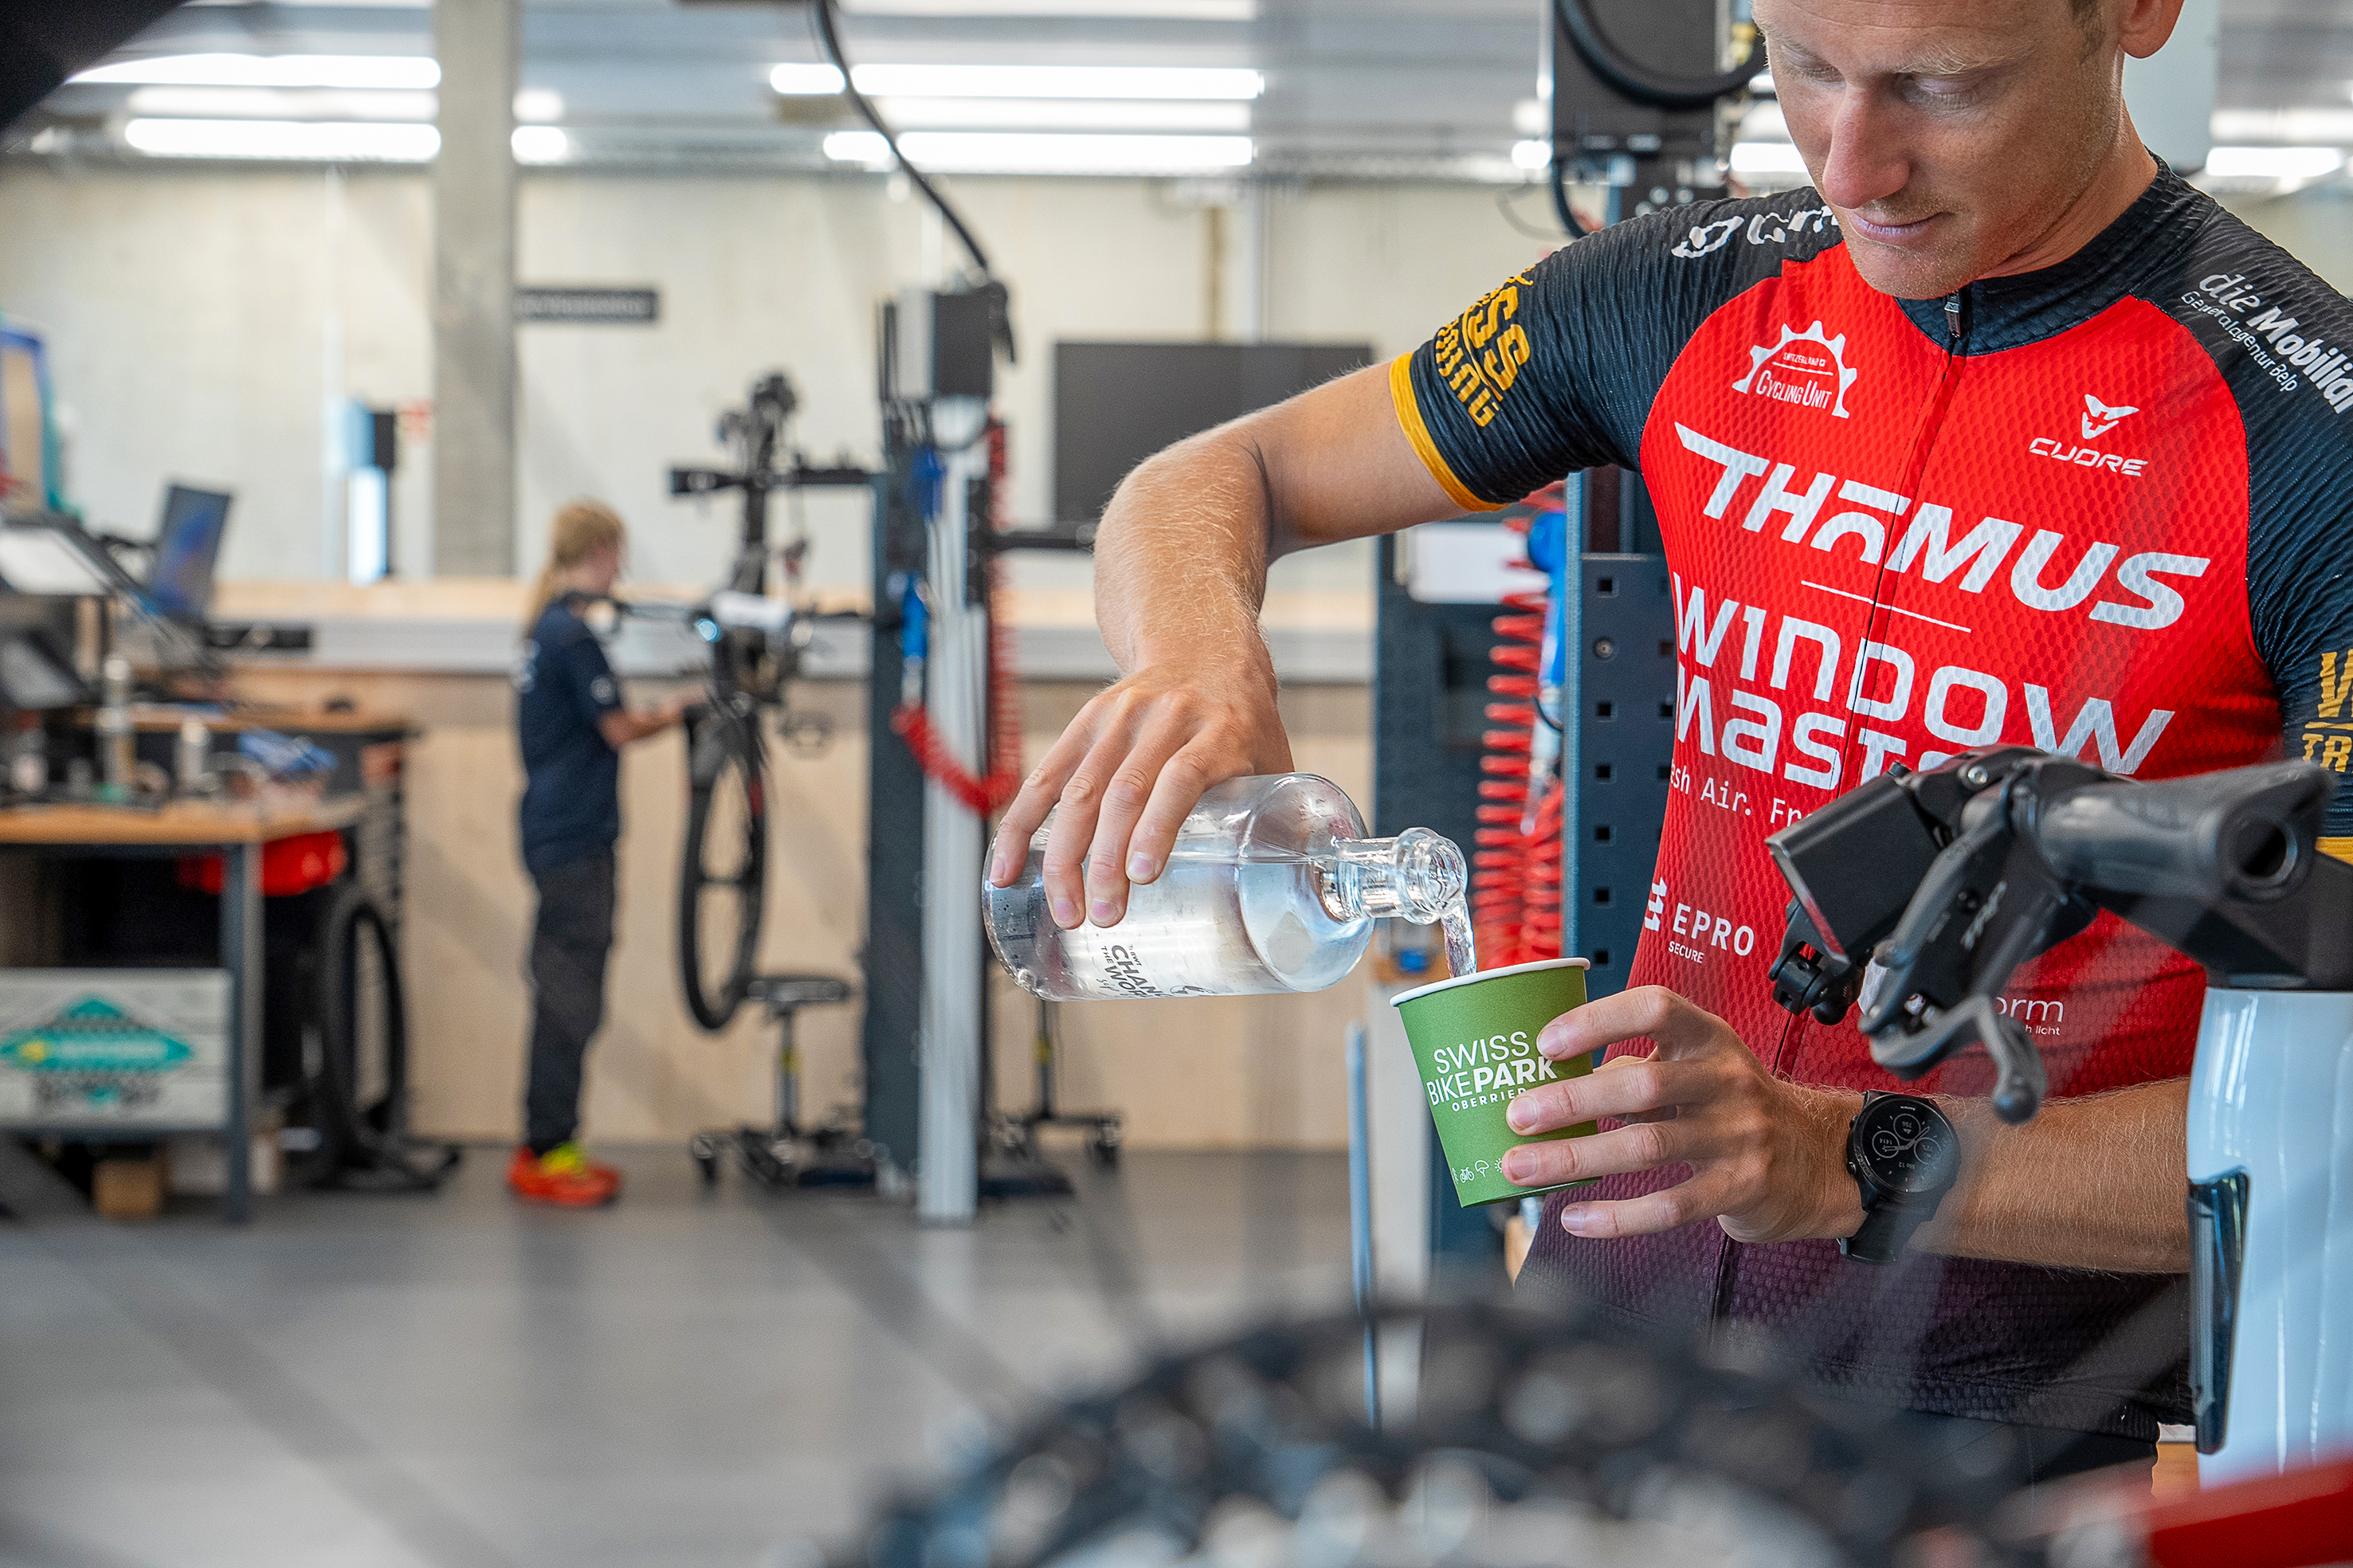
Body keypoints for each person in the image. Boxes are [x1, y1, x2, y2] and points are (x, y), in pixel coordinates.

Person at [988, 0, 2353, 1482]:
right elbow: (1216, 474)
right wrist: (1196, 652)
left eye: (1939, 87)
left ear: (2136, 13)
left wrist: (1847, 1156)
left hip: (2009, 1395)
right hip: (1601, 1317)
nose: (1849, 166)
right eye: (1806, 66)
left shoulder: (2308, 436)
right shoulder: (1676, 291)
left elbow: (2327, 1121)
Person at [509, 500, 694, 1206]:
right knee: (568, 997)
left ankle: (547, 1144)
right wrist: (677, 712)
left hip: (554, 830)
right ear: (602, 551)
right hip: (575, 839)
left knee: (564, 989)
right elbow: (616, 729)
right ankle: (547, 1150)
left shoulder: (544, 629)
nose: (622, 569)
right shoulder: (571, 638)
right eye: (618, 554)